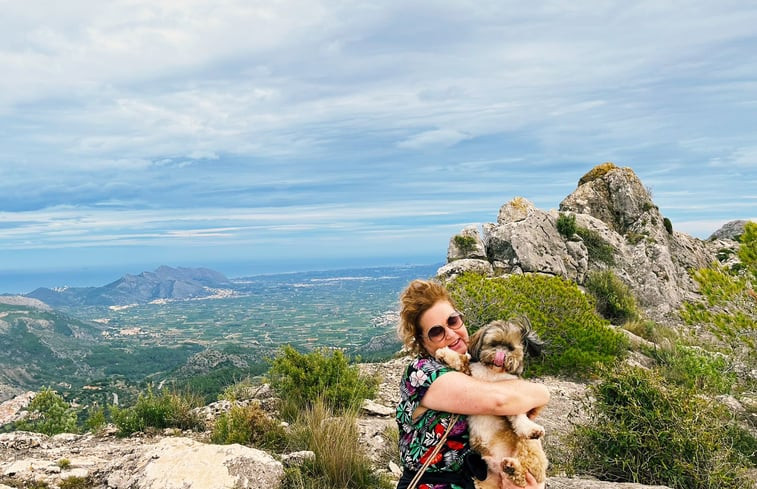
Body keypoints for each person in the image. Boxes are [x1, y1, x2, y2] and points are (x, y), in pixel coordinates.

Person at [395, 279, 549, 489]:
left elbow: (528, 395)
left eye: (453, 320)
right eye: (436, 332)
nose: (450, 333)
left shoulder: (477, 365)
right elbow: (500, 401)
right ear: (422, 341)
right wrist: (539, 394)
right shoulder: (422, 373)